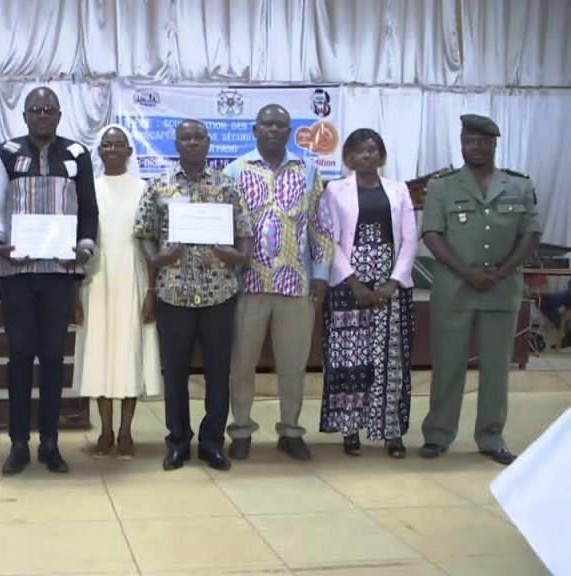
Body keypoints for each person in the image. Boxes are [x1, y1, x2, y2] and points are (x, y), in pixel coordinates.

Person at [0, 86, 99, 475]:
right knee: (19, 355)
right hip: (17, 272)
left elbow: (88, 208)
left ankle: (50, 443)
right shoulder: (6, 152)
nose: (42, 115)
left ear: (59, 115)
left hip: (59, 273)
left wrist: (85, 246)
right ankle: (19, 443)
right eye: (35, 109)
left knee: (52, 357)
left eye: (49, 109)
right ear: (25, 116)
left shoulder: (77, 154)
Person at [420, 114, 541, 466]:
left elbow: (530, 234)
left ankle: (491, 437)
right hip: (454, 288)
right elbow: (432, 234)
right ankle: (438, 435)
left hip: (501, 290)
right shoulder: (443, 186)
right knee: (448, 365)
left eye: (481, 141)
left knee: (495, 368)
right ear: (461, 144)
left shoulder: (518, 185)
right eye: (468, 141)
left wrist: (501, 272)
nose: (474, 147)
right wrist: (466, 272)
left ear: (494, 144)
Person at [135, 119, 252, 471]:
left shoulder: (226, 185)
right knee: (175, 374)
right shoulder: (159, 185)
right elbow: (142, 231)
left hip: (219, 292)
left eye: (198, 137)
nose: (192, 142)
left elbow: (243, 230)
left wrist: (239, 255)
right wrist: (156, 258)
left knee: (218, 372)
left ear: (208, 142)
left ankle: (213, 442)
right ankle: (178, 442)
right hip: (174, 293)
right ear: (176, 143)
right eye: (185, 137)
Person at [224, 104, 334, 462]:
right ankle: (241, 429)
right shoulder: (234, 171)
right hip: (247, 286)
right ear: (255, 130)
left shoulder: (308, 170)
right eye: (267, 124)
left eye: (280, 125)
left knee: (293, 365)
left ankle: (290, 430)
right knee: (241, 364)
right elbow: (222, 227)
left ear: (289, 132)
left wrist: (321, 276)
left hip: (296, 286)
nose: (273, 129)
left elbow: (321, 226)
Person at [321, 129, 417, 458]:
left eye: (373, 149)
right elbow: (329, 239)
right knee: (350, 358)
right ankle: (351, 430)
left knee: (390, 360)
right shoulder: (334, 190)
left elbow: (409, 240)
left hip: (390, 285)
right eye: (360, 151)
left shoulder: (399, 189)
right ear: (347, 157)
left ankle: (391, 433)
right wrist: (354, 283)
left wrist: (392, 282)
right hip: (349, 284)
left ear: (382, 155)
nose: (367, 155)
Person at [73, 124, 161, 459]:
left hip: (133, 279)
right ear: (99, 152)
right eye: (106, 144)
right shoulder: (88, 190)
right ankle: (105, 431)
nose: (111, 149)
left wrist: (152, 290)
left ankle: (126, 432)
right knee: (99, 356)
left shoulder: (144, 189)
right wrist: (74, 296)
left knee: (128, 355)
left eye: (118, 144)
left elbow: (152, 241)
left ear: (129, 152)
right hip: (94, 281)